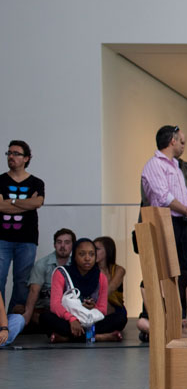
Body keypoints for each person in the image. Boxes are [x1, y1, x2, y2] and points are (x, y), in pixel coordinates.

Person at [141, 125, 187, 311]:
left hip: (182, 222)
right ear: (172, 141)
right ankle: (157, 314)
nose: (183, 147)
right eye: (181, 142)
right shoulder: (154, 164)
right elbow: (164, 197)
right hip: (166, 222)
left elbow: (185, 195)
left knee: (184, 269)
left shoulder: (177, 167)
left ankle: (181, 313)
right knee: (165, 269)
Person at [40, 238, 125, 342]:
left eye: (91, 254)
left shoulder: (100, 277)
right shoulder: (62, 273)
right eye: (82, 254)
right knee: (45, 318)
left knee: (121, 318)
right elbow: (55, 305)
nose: (87, 258)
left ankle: (67, 338)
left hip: (90, 320)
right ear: (74, 256)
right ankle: (99, 337)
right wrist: (72, 319)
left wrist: (93, 307)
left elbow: (102, 309)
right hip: (68, 320)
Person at [1, 139, 45, 313]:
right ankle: (0, 321)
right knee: (0, 278)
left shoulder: (36, 183)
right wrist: (26, 203)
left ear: (26, 158)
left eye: (16, 154)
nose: (11, 156)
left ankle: (14, 320)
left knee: (22, 281)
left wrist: (10, 201)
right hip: (2, 238)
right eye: (9, 153)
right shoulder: (0, 180)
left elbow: (37, 203)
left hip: (27, 239)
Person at [22, 228, 75, 327]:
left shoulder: (76, 265)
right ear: (54, 245)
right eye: (59, 242)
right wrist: (27, 315)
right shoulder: (42, 264)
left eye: (67, 242)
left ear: (73, 246)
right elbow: (34, 290)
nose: (63, 246)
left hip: (68, 311)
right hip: (46, 310)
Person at [93, 236, 128, 334]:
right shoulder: (90, 270)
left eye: (97, 249)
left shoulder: (118, 270)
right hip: (94, 309)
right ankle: (102, 335)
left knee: (120, 319)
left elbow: (109, 290)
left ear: (107, 251)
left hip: (115, 311)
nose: (93, 252)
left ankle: (88, 333)